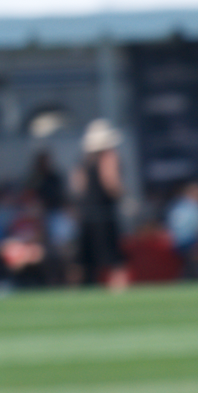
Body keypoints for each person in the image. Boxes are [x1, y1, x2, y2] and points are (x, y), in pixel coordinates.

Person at [74, 118, 127, 288]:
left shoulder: (85, 161)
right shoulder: (109, 156)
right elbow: (110, 181)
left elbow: (77, 187)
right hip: (104, 213)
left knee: (84, 260)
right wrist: (124, 198)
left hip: (87, 213)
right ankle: (118, 290)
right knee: (114, 259)